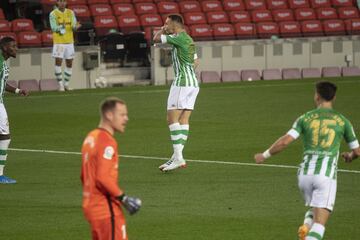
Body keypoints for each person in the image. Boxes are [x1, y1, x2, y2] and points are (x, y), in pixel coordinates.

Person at [254, 81, 360, 240]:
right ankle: (309, 232)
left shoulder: (305, 118)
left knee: (314, 209)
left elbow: (285, 141)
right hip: (325, 177)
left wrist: (264, 155)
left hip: (304, 176)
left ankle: (305, 227)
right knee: (320, 224)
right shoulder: (343, 121)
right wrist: (350, 157)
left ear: (317, 96)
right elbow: (357, 151)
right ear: (334, 97)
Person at [81, 97, 141, 240]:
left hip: (91, 206)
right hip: (105, 209)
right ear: (109, 115)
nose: (126, 119)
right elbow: (102, 177)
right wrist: (124, 198)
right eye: (122, 115)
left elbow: (84, 176)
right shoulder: (107, 141)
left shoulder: (91, 137)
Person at [153, 14, 200, 172]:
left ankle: (178, 157)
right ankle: (176, 156)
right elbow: (196, 62)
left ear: (175, 25)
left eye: (166, 23)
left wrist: (161, 31)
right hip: (193, 82)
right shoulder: (189, 39)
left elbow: (155, 39)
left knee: (171, 118)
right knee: (184, 119)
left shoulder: (178, 37)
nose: (165, 25)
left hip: (182, 82)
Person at [0, 37, 28, 184]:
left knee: (4, 137)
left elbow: (2, 84)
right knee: (5, 137)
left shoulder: (4, 63)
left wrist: (18, 90)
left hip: (0, 103)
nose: (16, 48)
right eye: (13, 46)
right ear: (5, 48)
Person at [49, 0, 81, 91]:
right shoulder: (53, 14)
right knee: (58, 63)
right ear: (57, 3)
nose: (62, 3)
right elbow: (53, 28)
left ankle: (66, 84)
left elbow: (73, 26)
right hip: (59, 42)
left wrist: (76, 27)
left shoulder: (71, 13)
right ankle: (60, 85)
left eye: (64, 1)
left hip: (70, 42)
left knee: (69, 63)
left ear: (66, 2)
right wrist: (61, 27)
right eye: (60, 1)